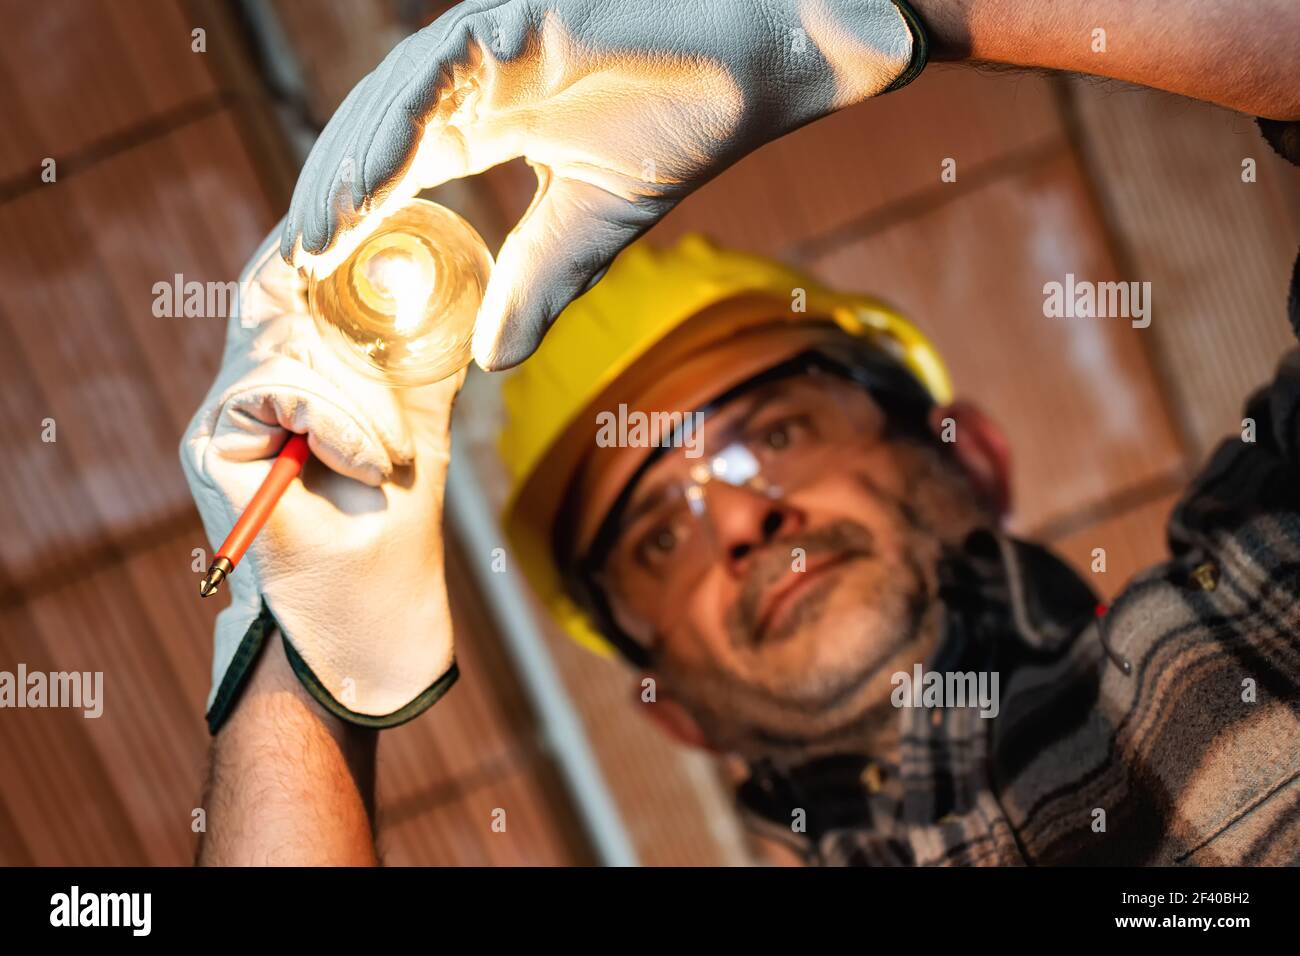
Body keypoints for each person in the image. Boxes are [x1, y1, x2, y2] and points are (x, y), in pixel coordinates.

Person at [183, 0, 1300, 865]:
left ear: (967, 447)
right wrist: (299, 655)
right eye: (656, 536)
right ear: (671, 713)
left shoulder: (1268, 595)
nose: (741, 521)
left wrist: (869, 11)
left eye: (774, 434)